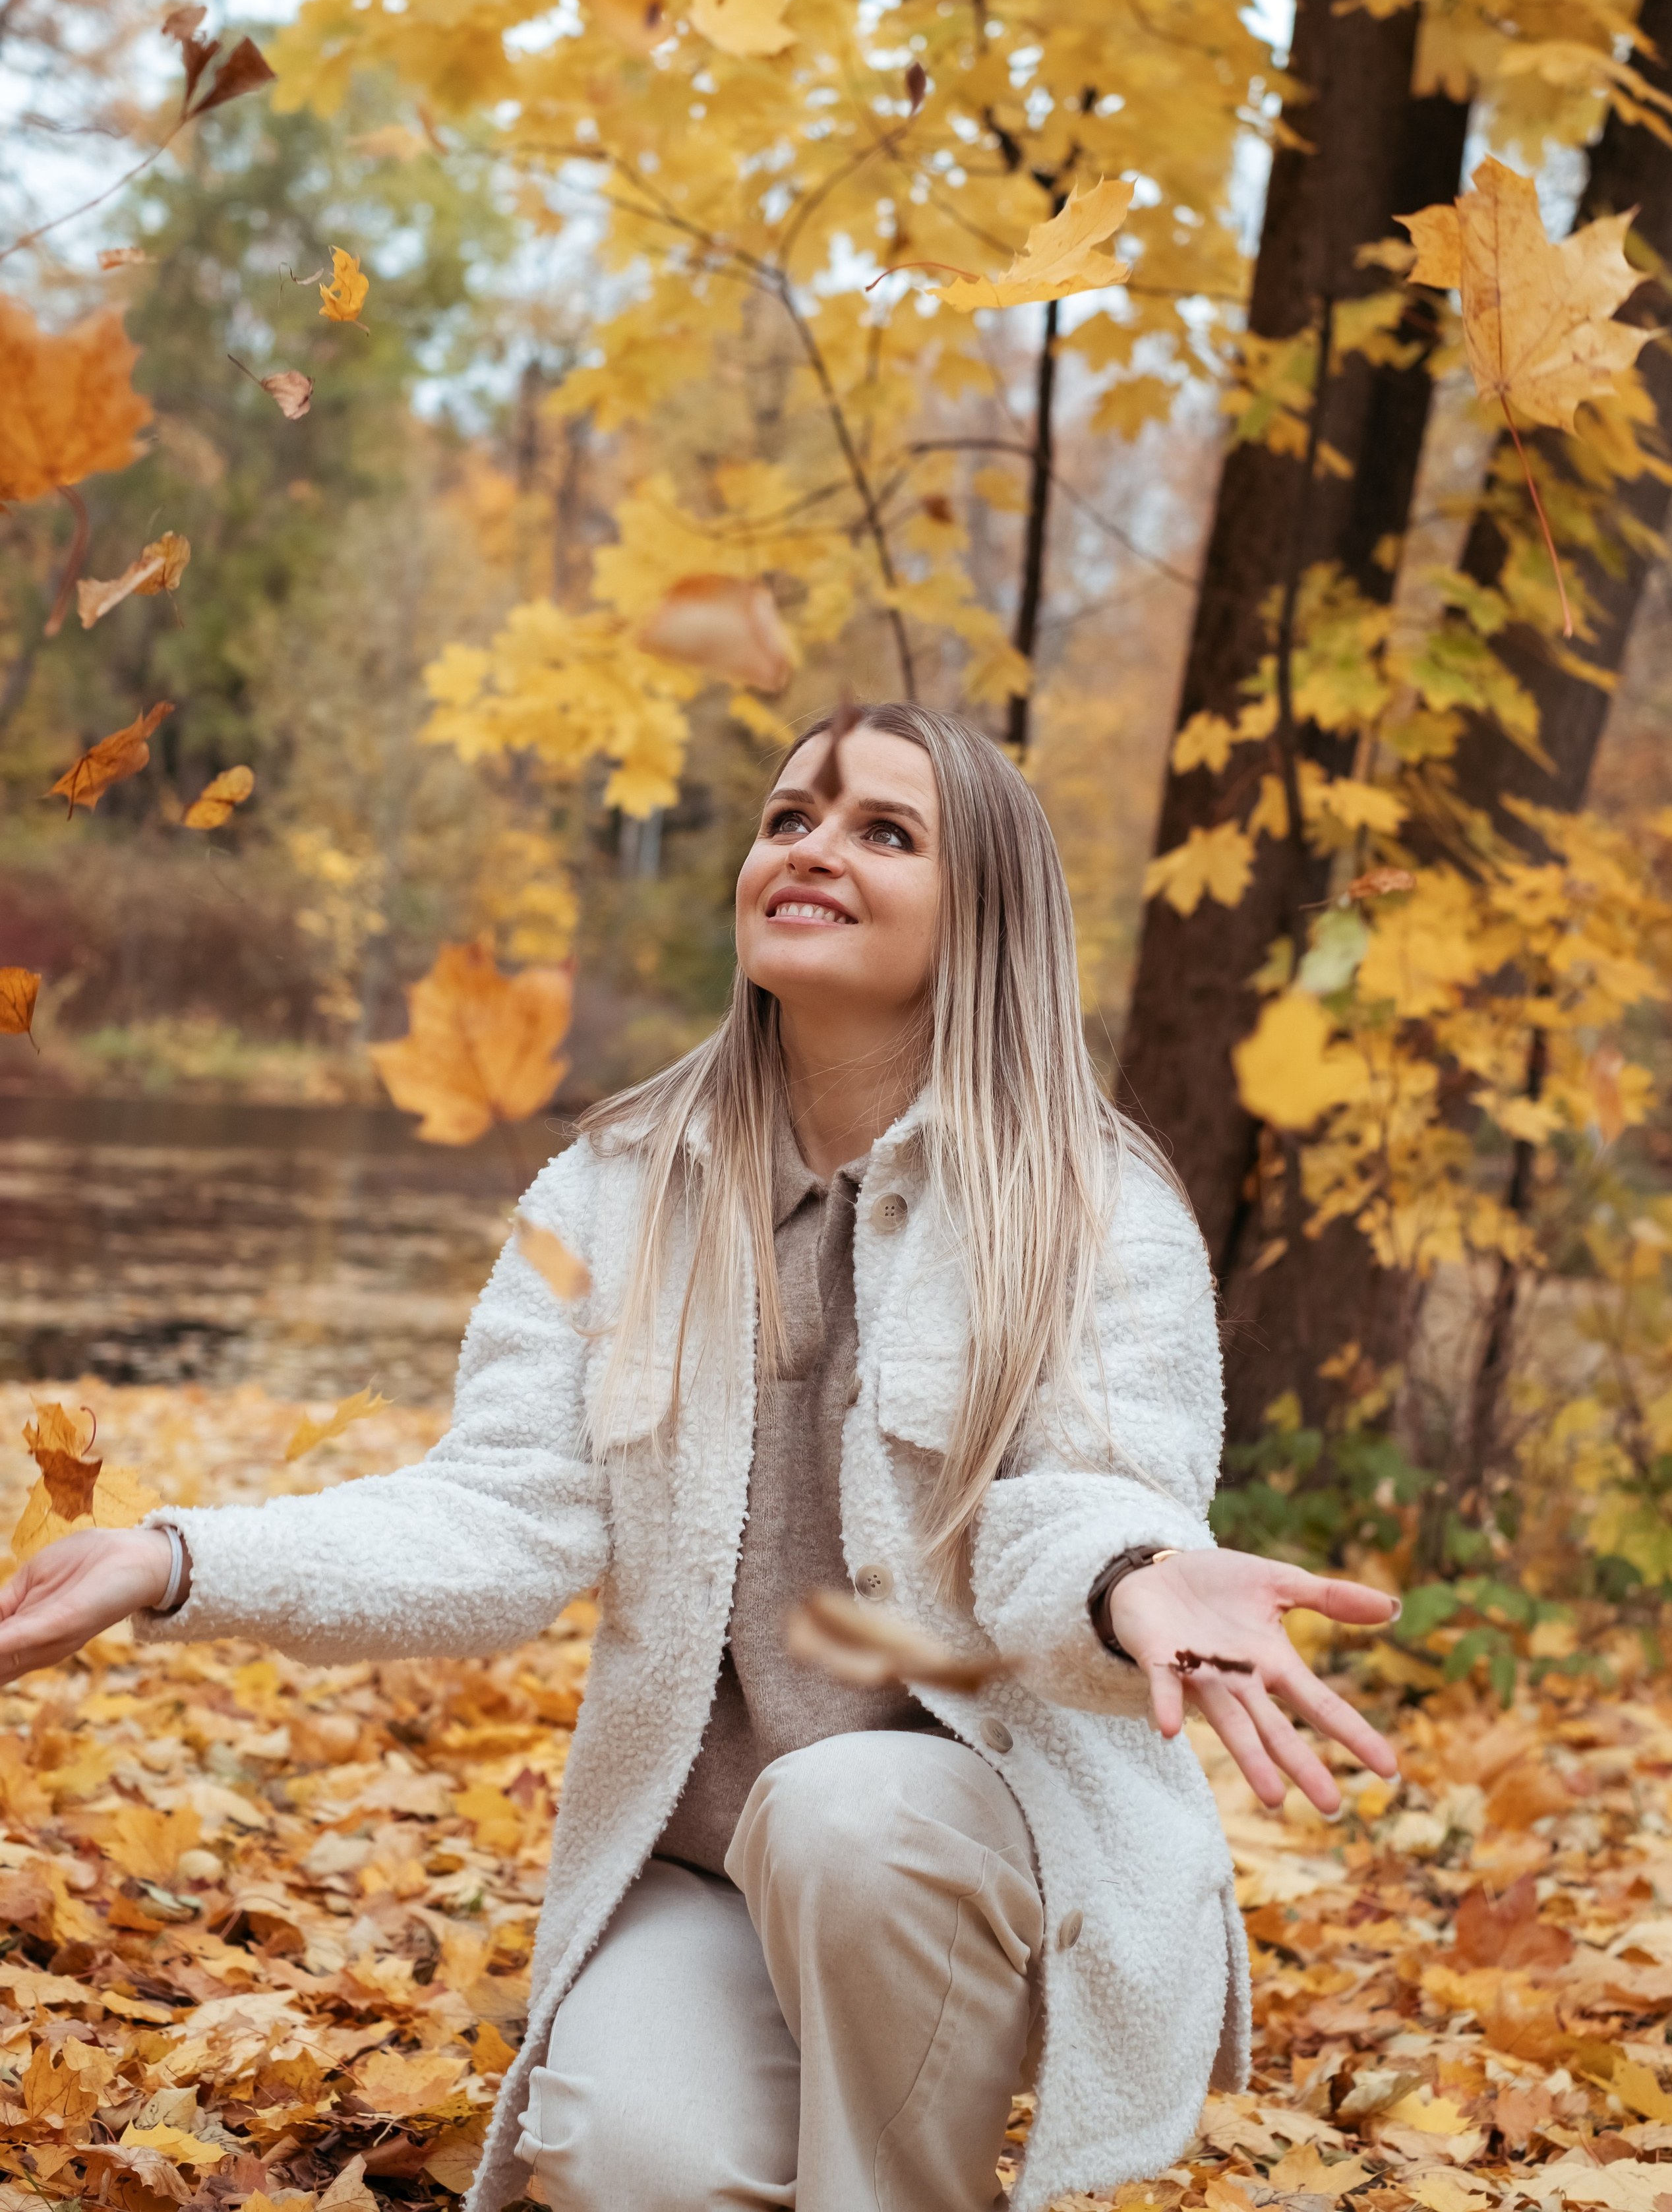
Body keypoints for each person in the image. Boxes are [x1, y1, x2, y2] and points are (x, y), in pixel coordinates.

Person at [0, 704, 1400, 2212]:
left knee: (845, 1815)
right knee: (628, 2160)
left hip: (982, 1839)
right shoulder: (608, 1185)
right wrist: (177, 1562)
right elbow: (498, 1517)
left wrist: (1136, 1575)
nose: (808, 848)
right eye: (787, 816)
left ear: (985, 910)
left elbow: (1071, 1506)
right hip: (711, 1863)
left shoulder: (1088, 1199)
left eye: (883, 829)